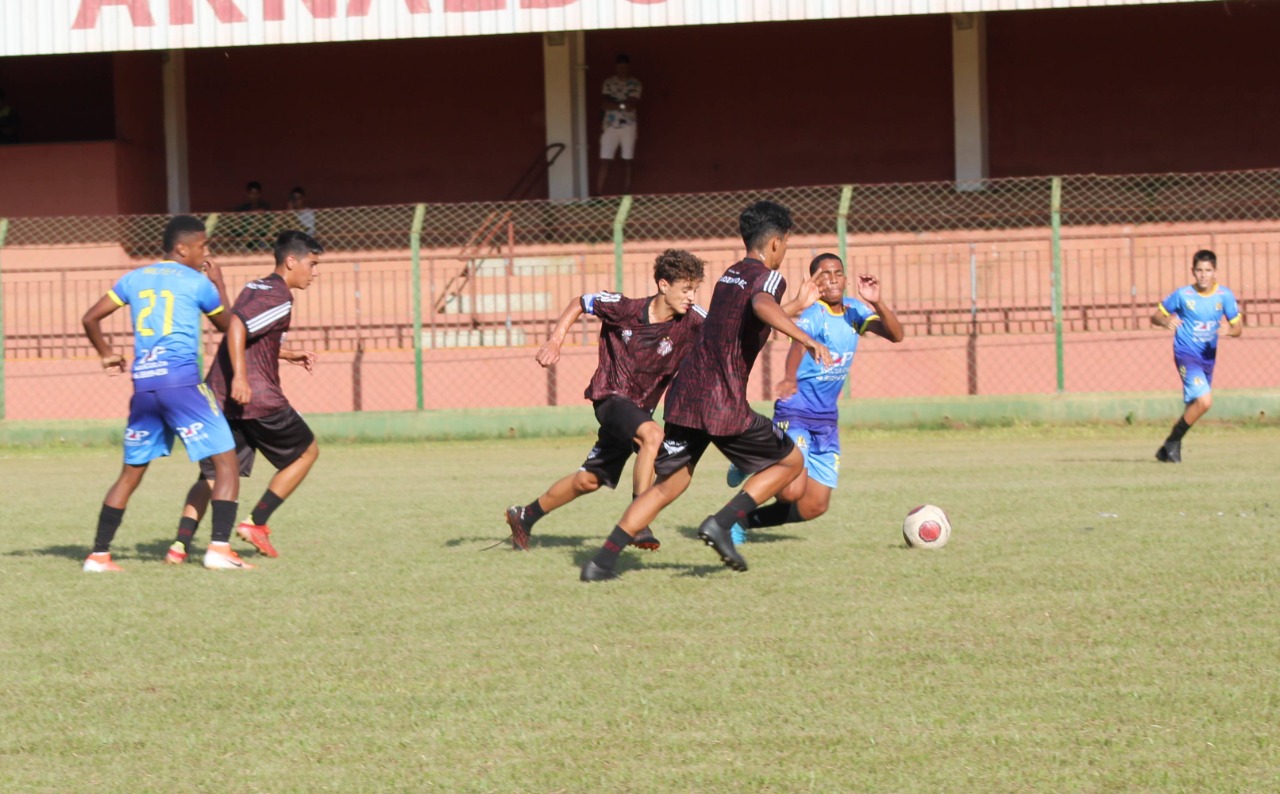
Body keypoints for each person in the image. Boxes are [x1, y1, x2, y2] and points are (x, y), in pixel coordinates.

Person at [580, 200, 831, 582]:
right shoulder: (769, 278)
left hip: (685, 394)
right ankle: (722, 522)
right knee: (791, 463)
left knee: (671, 483)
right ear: (777, 243)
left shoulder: (730, 275)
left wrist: (795, 306)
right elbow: (763, 303)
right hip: (721, 400)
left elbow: (742, 318)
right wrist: (806, 337)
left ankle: (601, 563)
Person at [505, 249, 707, 552]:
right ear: (664, 285)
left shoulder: (693, 320)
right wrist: (555, 340)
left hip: (638, 411)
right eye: (686, 289)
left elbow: (726, 330)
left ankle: (524, 516)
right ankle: (639, 518)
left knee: (589, 480)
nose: (692, 296)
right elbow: (580, 302)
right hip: (610, 397)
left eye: (695, 289)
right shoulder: (624, 308)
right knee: (653, 436)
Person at [80, 215, 250, 572]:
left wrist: (106, 354)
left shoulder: (134, 278)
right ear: (182, 248)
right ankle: (219, 549)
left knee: (130, 473)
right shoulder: (196, 282)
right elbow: (228, 326)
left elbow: (90, 318)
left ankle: (98, 555)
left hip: (145, 386)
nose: (207, 251)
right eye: (203, 245)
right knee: (227, 463)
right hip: (182, 385)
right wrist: (217, 282)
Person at [165, 230, 324, 564]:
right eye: (312, 263)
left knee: (214, 475)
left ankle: (178, 548)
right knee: (307, 452)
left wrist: (288, 353)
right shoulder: (280, 296)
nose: (315, 272)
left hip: (221, 397)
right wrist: (241, 376)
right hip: (255, 396)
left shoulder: (256, 286)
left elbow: (240, 326)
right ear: (291, 260)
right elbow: (237, 327)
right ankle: (257, 523)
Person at [726, 253, 904, 543]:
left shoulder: (855, 311)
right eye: (824, 273)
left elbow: (896, 335)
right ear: (813, 281)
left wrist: (878, 302)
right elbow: (798, 344)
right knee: (790, 491)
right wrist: (789, 376)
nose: (832, 278)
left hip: (825, 420)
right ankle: (755, 460)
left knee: (813, 505)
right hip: (796, 409)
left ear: (846, 279)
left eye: (838, 272)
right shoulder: (814, 313)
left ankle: (744, 520)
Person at [1150, 249, 1242, 462]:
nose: (1203, 275)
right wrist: (1165, 321)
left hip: (1208, 357)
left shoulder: (1224, 296)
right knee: (1205, 400)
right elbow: (1155, 317)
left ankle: (1168, 447)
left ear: (1215, 272)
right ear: (1193, 271)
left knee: (1197, 405)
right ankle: (1173, 443)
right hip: (1186, 354)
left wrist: (1230, 330)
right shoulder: (1183, 295)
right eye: (1199, 270)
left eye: (1208, 270)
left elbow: (1238, 328)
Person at [595, 53, 642, 195]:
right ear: (616, 67)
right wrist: (622, 104)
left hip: (628, 124)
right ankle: (599, 194)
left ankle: (626, 194)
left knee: (628, 159)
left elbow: (631, 105)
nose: (622, 69)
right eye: (620, 66)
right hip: (610, 125)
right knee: (605, 159)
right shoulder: (608, 82)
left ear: (628, 67)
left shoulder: (635, 83)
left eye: (625, 66)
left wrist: (615, 104)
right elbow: (604, 103)